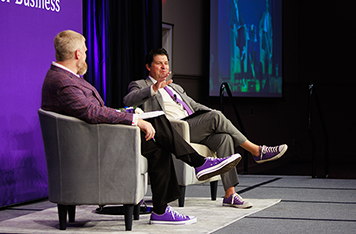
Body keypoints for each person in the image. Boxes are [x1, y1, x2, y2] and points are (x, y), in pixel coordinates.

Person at [41, 30, 242, 225]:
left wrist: (128, 115)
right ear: (77, 54)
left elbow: (93, 111)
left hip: (101, 137)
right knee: (156, 123)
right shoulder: (63, 82)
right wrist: (134, 120)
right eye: (84, 51)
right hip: (93, 145)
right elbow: (92, 113)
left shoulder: (67, 78)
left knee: (157, 141)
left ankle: (162, 210)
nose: (85, 55)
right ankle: (199, 164)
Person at [123, 48, 288, 209]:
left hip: (193, 125)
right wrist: (154, 88)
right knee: (216, 116)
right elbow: (128, 100)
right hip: (174, 130)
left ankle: (230, 194)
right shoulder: (140, 85)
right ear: (148, 66)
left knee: (225, 137)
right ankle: (256, 151)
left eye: (166, 63)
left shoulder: (175, 87)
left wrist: (213, 117)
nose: (164, 67)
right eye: (159, 64)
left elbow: (194, 106)